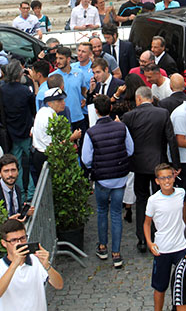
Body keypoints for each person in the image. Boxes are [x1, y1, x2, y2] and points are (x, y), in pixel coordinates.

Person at [122, 86, 180, 253]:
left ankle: (142, 238)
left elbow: (125, 141)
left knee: (141, 200)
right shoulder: (162, 113)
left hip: (138, 164)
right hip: (158, 163)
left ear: (138, 99)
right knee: (160, 199)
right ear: (151, 98)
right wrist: (176, 165)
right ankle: (158, 235)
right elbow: (171, 140)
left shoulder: (129, 116)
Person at [83, 96, 133, 269]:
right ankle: (116, 253)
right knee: (116, 214)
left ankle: (103, 246)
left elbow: (86, 159)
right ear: (110, 109)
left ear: (96, 111)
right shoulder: (122, 127)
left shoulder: (91, 133)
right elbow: (130, 150)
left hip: (102, 178)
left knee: (102, 211)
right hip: (119, 177)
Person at [0, 218, 64, 310]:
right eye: (13, 240)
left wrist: (47, 266)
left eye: (22, 238)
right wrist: (14, 265)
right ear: (4, 243)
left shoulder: (36, 260)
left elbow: (59, 285)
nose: (19, 243)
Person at [144, 163, 186, 311]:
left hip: (182, 246)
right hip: (162, 249)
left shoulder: (181, 193)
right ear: (157, 181)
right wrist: (150, 243)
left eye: (169, 177)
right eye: (163, 178)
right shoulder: (153, 200)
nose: (167, 181)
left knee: (183, 285)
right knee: (160, 286)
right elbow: (147, 223)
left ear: (174, 177)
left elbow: (183, 214)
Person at [0, 62, 35, 179]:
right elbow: (33, 110)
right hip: (26, 130)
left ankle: (19, 187)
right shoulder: (25, 91)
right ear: (20, 74)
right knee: (32, 162)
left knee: (15, 163)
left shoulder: (2, 89)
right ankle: (31, 188)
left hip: (11, 131)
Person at [0, 154, 33, 221]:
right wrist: (7, 221)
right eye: (6, 171)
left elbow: (17, 212)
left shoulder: (17, 189)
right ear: (0, 173)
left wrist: (25, 213)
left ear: (18, 171)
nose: (10, 174)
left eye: (13, 170)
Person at [54, 47, 90, 133]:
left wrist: (85, 99)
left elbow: (83, 90)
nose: (57, 61)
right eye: (57, 58)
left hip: (79, 118)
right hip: (61, 120)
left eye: (61, 58)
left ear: (68, 59)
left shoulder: (79, 73)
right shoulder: (53, 76)